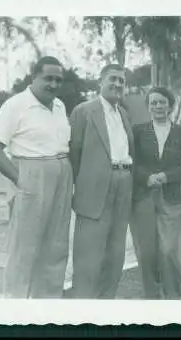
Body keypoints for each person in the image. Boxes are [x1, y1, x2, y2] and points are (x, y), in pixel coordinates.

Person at [0, 56, 73, 298]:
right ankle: (16, 309)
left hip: (61, 173)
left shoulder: (60, 105)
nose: (54, 84)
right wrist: (20, 180)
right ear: (33, 77)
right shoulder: (15, 105)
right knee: (24, 248)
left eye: (58, 80)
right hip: (31, 173)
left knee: (56, 246)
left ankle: (47, 306)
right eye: (48, 78)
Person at [69, 63, 134, 299]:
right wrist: (82, 188)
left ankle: (107, 306)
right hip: (94, 190)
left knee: (115, 253)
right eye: (113, 79)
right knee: (89, 256)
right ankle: (83, 311)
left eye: (122, 81)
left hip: (124, 183)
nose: (117, 84)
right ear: (101, 81)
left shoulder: (124, 114)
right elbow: (73, 155)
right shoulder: (84, 111)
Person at [130, 86, 181, 299]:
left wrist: (167, 176)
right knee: (146, 251)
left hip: (172, 197)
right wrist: (146, 178)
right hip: (143, 197)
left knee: (168, 250)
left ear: (170, 106)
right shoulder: (137, 131)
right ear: (148, 106)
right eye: (154, 103)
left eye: (162, 102)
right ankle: (151, 297)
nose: (158, 106)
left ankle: (174, 294)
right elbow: (132, 162)